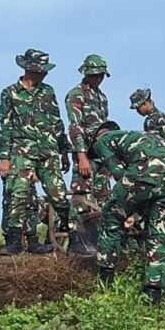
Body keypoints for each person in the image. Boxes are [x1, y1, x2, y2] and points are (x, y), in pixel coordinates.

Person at [88, 122, 165, 305]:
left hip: (142, 174)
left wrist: (129, 210)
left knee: (111, 220)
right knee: (160, 236)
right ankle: (153, 294)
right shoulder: (161, 141)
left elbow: (118, 173)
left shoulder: (102, 140)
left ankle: (105, 281)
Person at [0, 48, 75, 255]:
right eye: (42, 70)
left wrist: (64, 152)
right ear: (29, 69)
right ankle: (16, 241)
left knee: (58, 196)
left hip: (48, 152)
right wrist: (4, 158)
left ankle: (75, 235)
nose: (45, 73)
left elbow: (57, 123)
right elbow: (5, 127)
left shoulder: (48, 92)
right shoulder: (9, 93)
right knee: (19, 196)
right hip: (21, 151)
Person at [65, 54, 112, 254]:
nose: (98, 79)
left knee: (103, 197)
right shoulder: (76, 94)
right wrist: (81, 156)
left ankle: (97, 241)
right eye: (95, 75)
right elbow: (75, 127)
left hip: (102, 155)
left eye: (101, 75)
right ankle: (76, 239)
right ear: (86, 74)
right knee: (81, 195)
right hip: (85, 153)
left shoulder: (102, 97)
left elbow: (105, 128)